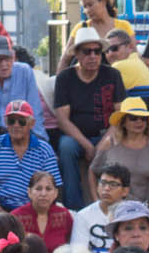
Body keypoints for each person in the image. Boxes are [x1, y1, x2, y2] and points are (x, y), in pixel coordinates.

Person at [51, 33, 123, 208]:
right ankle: (74, 207)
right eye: (87, 51)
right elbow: (62, 120)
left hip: (106, 133)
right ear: (77, 54)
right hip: (76, 136)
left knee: (119, 146)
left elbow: (119, 116)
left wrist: (103, 143)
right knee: (66, 147)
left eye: (97, 51)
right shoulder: (65, 78)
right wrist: (87, 146)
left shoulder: (112, 75)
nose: (93, 56)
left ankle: (116, 203)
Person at [0, 100, 62, 211]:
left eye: (21, 121)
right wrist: (0, 213)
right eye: (11, 121)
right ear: (6, 123)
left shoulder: (44, 149)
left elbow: (54, 186)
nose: (16, 125)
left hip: (34, 209)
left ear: (32, 124)